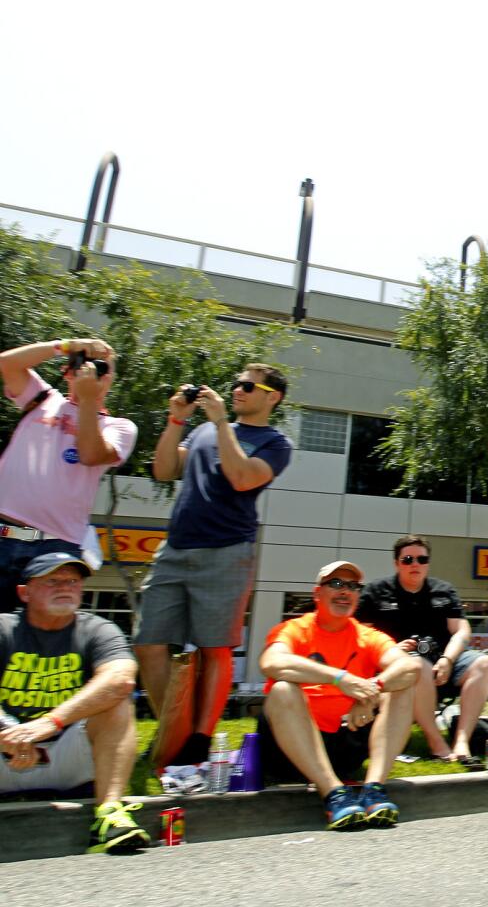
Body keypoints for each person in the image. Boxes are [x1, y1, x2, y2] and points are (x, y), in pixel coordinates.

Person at [134, 363, 292, 766]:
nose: (238, 390)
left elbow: (242, 478)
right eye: (236, 384)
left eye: (248, 386)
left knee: (214, 648)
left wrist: (222, 422)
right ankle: (174, 729)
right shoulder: (203, 431)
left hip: (227, 551)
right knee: (149, 644)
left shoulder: (275, 443)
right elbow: (164, 469)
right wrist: (175, 420)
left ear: (272, 396)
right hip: (176, 547)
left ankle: (200, 739)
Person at [0, 552, 149, 853]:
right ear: (24, 592)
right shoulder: (4, 628)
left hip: (66, 752)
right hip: (6, 748)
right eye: (52, 580)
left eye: (73, 581)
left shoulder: (98, 629)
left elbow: (121, 678)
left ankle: (109, 816)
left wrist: (48, 723)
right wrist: (7, 734)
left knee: (118, 701)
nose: (65, 587)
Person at [258, 560, 420, 831]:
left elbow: (410, 667)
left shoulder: (367, 636)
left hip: (347, 739)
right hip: (290, 749)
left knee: (401, 686)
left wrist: (371, 691)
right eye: (336, 584)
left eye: (353, 586)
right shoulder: (295, 629)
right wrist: (340, 678)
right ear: (317, 593)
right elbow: (271, 662)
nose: (345, 591)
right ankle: (332, 792)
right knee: (282, 689)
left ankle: (373, 790)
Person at [0, 337, 136, 614]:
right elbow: (6, 363)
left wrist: (86, 400)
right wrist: (65, 345)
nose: (92, 371)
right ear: (69, 368)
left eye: (101, 368)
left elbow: (91, 454)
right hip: (3, 535)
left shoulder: (118, 426)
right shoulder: (43, 399)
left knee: (40, 639)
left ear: (111, 380)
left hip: (54, 547)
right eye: (83, 363)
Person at [357, 535, 488, 762]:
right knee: (416, 664)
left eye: (421, 559)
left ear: (428, 562)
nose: (415, 565)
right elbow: (360, 635)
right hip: (396, 672)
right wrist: (391, 649)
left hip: (441, 667)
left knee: (483, 662)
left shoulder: (443, 590)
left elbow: (462, 630)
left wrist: (448, 660)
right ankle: (436, 742)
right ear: (396, 563)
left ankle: (461, 742)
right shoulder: (375, 592)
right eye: (408, 559)